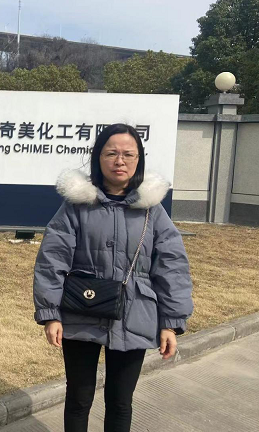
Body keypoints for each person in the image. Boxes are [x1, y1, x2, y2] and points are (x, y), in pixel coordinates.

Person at [33, 123, 193, 432]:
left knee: (120, 401)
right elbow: (52, 260)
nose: (120, 161)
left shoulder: (152, 211)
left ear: (138, 159)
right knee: (78, 398)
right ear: (99, 158)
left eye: (128, 154)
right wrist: (50, 313)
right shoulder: (76, 206)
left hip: (135, 313)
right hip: (81, 310)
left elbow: (172, 267)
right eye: (111, 153)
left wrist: (170, 322)